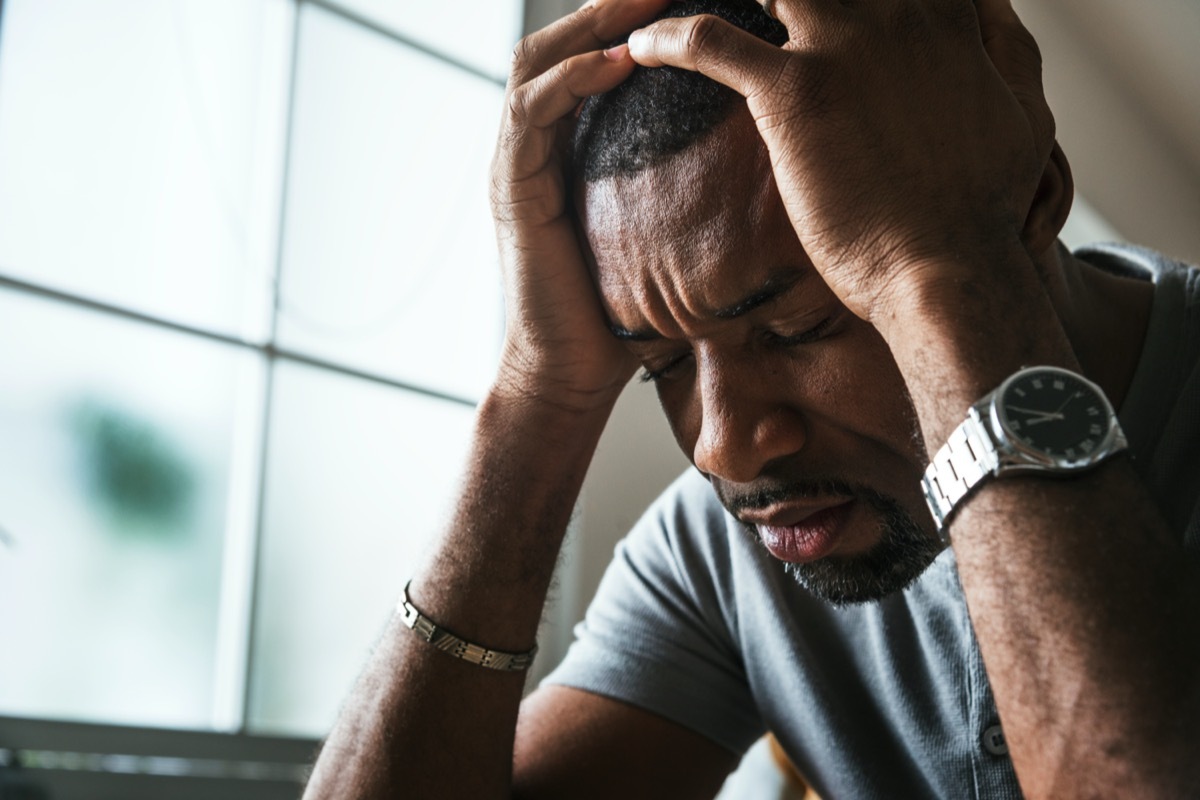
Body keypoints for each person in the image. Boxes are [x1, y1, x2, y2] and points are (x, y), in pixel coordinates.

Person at [303, 0, 1200, 797]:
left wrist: (946, 268)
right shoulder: (716, 556)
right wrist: (537, 395)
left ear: (1031, 196)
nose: (724, 449)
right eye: (663, 367)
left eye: (799, 329)